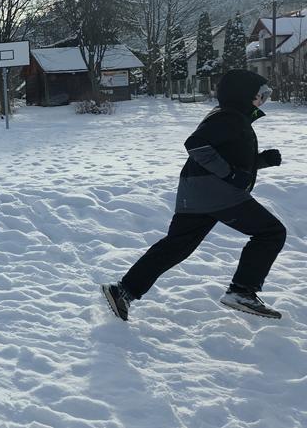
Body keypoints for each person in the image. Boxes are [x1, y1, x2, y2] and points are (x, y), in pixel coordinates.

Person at [102, 69, 287, 321]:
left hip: (197, 193)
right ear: (243, 95)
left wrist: (261, 161)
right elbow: (196, 144)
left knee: (176, 246)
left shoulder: (230, 117)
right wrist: (230, 175)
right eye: (260, 94)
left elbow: (229, 157)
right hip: (217, 193)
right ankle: (242, 291)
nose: (263, 99)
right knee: (271, 232)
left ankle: (124, 290)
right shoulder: (229, 118)